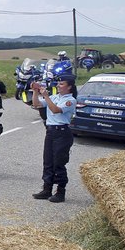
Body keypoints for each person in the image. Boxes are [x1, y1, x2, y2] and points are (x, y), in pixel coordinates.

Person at [32, 75, 77, 203]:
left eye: (62, 84)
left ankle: (60, 192)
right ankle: (47, 189)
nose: (58, 85)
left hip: (62, 133)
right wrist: (35, 92)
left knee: (59, 162)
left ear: (69, 87)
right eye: (58, 83)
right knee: (48, 161)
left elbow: (56, 110)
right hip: (51, 131)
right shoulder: (55, 97)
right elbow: (37, 105)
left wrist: (46, 95)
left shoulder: (70, 100)